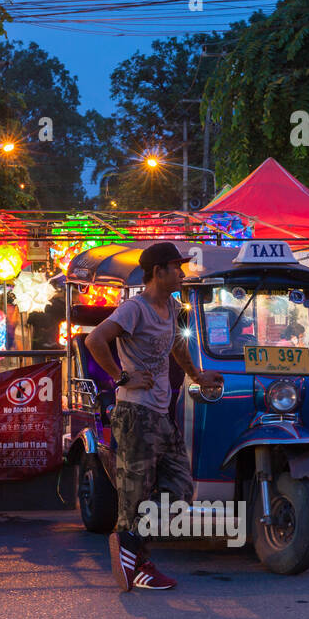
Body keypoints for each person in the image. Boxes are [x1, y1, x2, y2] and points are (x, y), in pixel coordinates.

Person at [84, 242, 224, 592]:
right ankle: (136, 564)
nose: (182, 273)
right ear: (158, 271)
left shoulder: (172, 306)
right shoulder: (135, 308)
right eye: (177, 267)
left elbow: (177, 344)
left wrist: (196, 375)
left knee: (180, 489)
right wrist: (121, 376)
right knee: (134, 493)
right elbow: (94, 339)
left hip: (161, 412)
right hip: (135, 413)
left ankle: (132, 545)